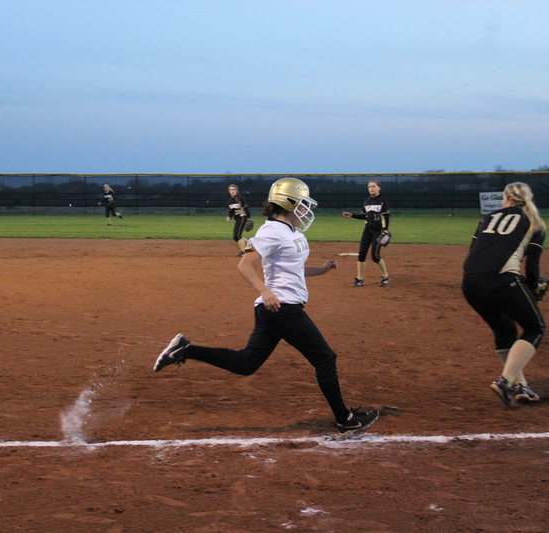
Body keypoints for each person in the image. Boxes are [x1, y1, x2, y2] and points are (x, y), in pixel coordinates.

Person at [154, 178, 379, 435]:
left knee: (246, 363)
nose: (305, 209)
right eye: (302, 204)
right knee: (325, 357)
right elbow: (244, 265)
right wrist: (264, 291)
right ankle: (345, 419)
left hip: (275, 310)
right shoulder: (272, 230)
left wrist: (322, 269)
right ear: (288, 203)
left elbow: (292, 269)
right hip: (282, 308)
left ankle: (184, 350)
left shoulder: (292, 232)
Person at [462, 182, 547, 408]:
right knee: (535, 328)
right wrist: (533, 287)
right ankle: (505, 381)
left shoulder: (487, 218)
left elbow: (474, 253)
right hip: (501, 281)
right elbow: (532, 268)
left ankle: (520, 386)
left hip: (470, 283)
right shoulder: (535, 222)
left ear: (506, 198)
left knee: (505, 329)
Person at [342, 180, 391, 287]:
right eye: (369, 187)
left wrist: (385, 230)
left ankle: (385, 276)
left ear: (379, 188)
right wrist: (352, 215)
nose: (371, 189)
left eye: (373, 186)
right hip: (367, 230)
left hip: (378, 230)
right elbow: (365, 216)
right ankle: (360, 280)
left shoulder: (383, 200)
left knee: (375, 256)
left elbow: (386, 216)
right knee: (361, 255)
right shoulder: (367, 201)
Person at [226, 184, 250, 257]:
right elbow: (231, 211)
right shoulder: (230, 201)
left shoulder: (240, 199)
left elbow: (246, 209)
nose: (232, 191)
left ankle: (243, 251)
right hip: (237, 219)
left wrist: (248, 218)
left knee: (237, 236)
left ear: (237, 191)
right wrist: (229, 216)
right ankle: (252, 244)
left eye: (234, 189)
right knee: (236, 237)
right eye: (230, 190)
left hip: (242, 217)